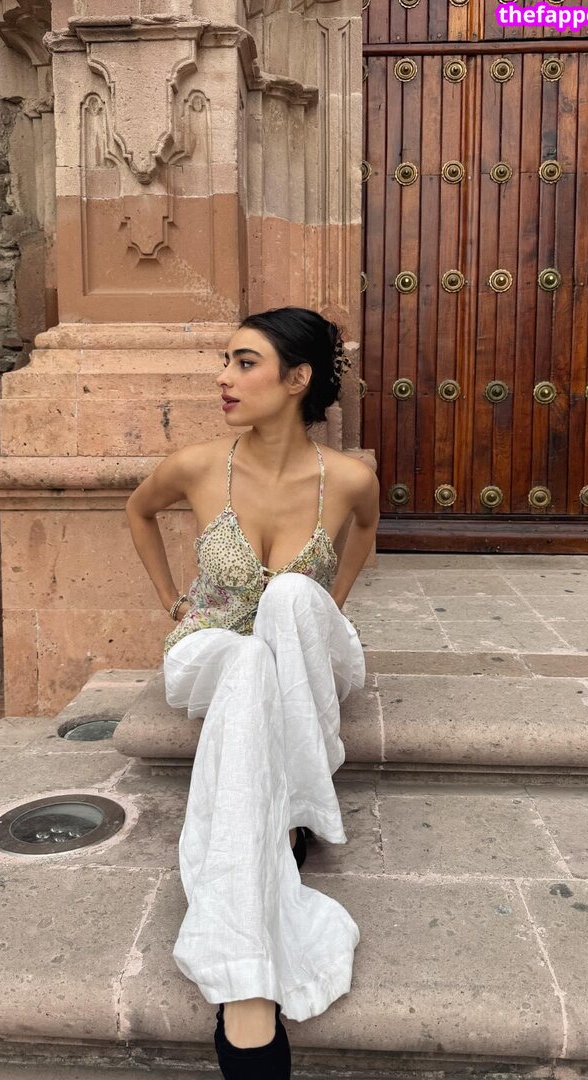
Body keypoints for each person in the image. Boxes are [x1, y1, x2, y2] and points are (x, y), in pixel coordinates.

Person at [125, 306, 380, 1078]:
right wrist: (170, 599)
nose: (223, 379)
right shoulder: (197, 465)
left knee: (293, 598)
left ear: (297, 379)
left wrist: (333, 603)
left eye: (243, 363)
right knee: (244, 660)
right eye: (225, 362)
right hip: (211, 649)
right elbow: (138, 511)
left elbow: (366, 532)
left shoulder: (350, 478)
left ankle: (288, 814)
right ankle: (247, 981)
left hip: (306, 654)